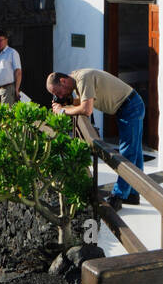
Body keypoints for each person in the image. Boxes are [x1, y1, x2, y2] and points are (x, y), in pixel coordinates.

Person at [47, 68, 145, 208]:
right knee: (135, 152)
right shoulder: (76, 80)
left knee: (128, 153)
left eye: (57, 92)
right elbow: (83, 102)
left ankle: (118, 195)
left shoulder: (83, 79)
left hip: (130, 107)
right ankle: (133, 194)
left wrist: (62, 111)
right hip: (128, 105)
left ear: (63, 81)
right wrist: (66, 104)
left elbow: (86, 109)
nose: (59, 95)